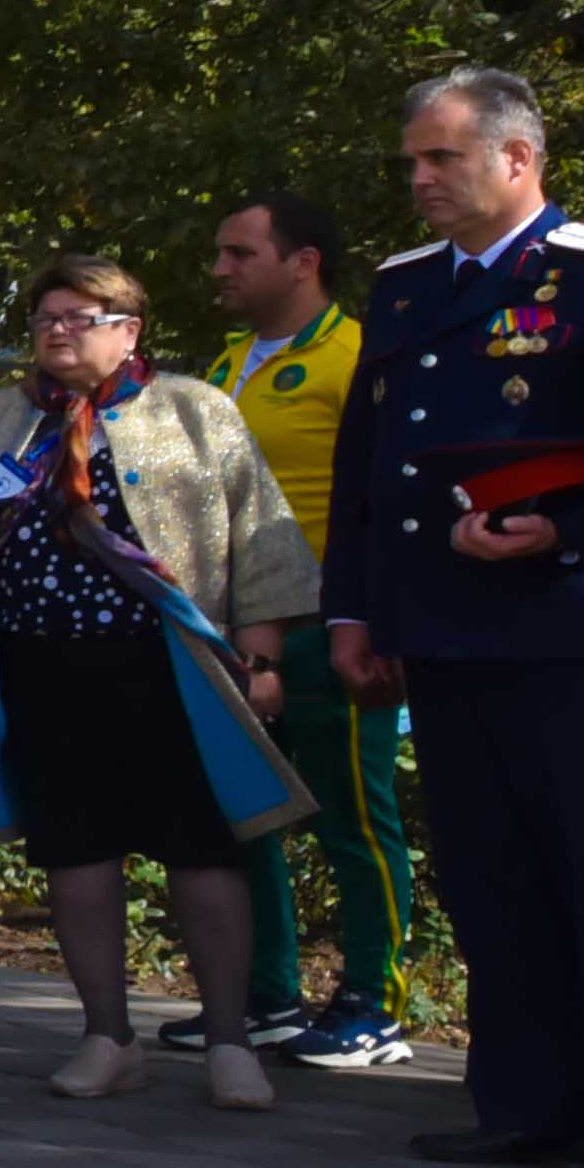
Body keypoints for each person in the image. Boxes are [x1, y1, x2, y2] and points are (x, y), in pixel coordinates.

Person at [326, 67, 584, 1168]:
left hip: (580, 626)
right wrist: (357, 607)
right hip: (444, 628)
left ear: (515, 157)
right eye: (410, 160)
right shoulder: (402, 290)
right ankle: (521, 1098)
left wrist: (563, 530)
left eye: (440, 157)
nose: (418, 179)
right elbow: (370, 466)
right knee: (489, 874)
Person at [0, 254, 319, 1113]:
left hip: (173, 671)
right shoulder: (0, 421)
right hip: (44, 669)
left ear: (130, 329)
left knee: (205, 852)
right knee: (75, 852)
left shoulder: (196, 410)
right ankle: (107, 1036)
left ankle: (231, 1044)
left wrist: (262, 662)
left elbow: (260, 546)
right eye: (46, 316)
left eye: (79, 316)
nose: (56, 329)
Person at [204, 191, 427, 1067]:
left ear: (304, 263)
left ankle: (376, 1000)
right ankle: (268, 995)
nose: (220, 270)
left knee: (354, 819)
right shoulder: (221, 368)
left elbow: (386, 497)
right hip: (232, 636)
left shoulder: (359, 355)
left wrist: (375, 619)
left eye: (239, 254)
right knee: (247, 816)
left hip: (329, 628)